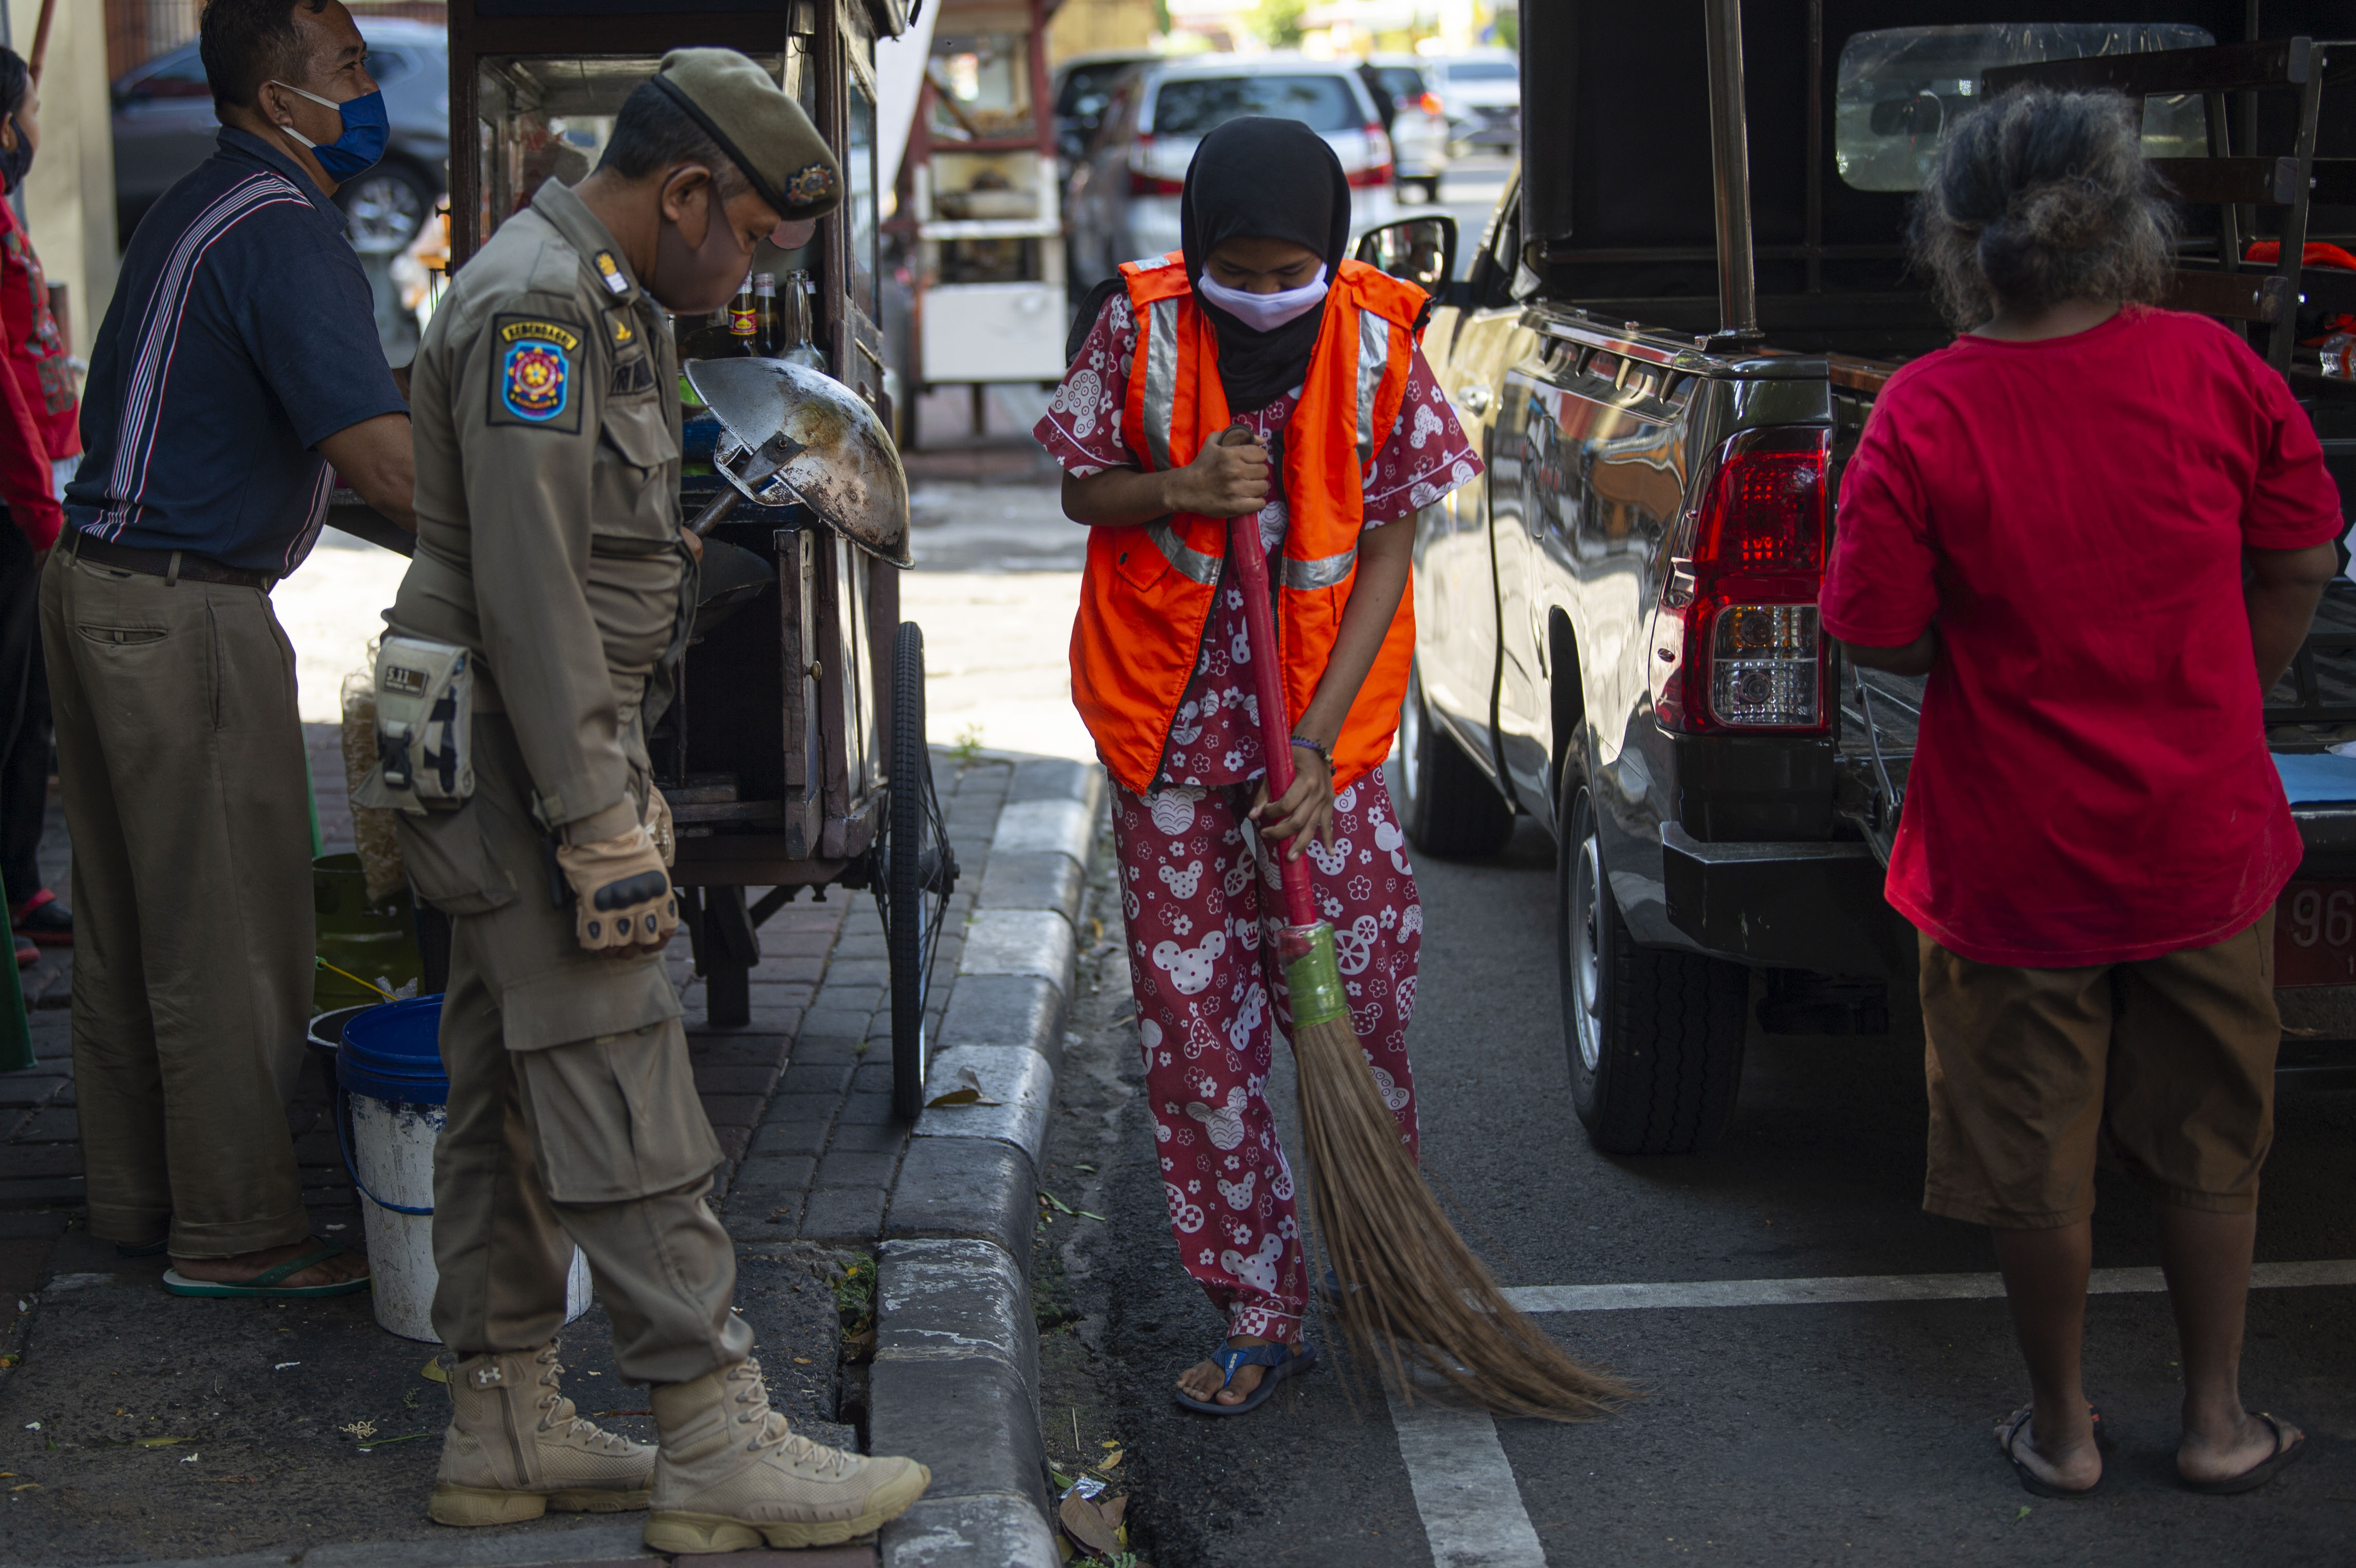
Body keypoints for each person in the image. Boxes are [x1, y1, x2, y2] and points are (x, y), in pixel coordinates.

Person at [375, 48, 929, 1550]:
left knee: (503, 1091)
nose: (745, 265)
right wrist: (599, 819)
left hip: (526, 742)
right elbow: (532, 589)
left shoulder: (592, 291)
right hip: (527, 749)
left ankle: (501, 1422)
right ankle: (711, 1432)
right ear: (685, 191)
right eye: (745, 235)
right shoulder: (538, 307)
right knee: (625, 1080)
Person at [1821, 88, 2342, 1499]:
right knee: (2210, 1135)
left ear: (1955, 237)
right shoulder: (2212, 367)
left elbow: (1871, 626)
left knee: (2030, 1156)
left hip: (2007, 861)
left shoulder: (1925, 408)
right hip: (2200, 838)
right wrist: (2238, 679)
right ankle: (2220, 1418)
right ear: (2124, 224)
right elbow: (2299, 553)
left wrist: (1984, 639)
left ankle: (2061, 1427)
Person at [1036, 117, 1480, 1413]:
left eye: (1296, 270)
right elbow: (1079, 489)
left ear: (1333, 256)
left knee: (1362, 1015)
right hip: (1169, 738)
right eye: (1244, 266)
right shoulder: (1138, 326)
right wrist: (1182, 483)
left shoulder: (1382, 340)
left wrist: (1319, 743)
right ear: (1198, 246)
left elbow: (1388, 549)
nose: (1270, 291)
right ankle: (1258, 1303)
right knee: (1194, 1033)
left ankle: (1386, 1278)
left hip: (1314, 750)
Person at [44, 0, 413, 1292]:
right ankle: (240, 1231)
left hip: (100, 585)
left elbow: (323, 449)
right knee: (230, 935)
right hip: (180, 611)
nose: (368, 90)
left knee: (138, 924)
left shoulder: (209, 200)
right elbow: (376, 457)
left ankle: (141, 1200)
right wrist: (521, 543)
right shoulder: (285, 227)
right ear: (277, 98)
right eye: (348, 69)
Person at [0, 47, 78, 963]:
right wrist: (36, 505)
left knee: (30, 708)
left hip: (35, 490)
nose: (37, 129)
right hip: (11, 504)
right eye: (30, 110)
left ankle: (20, 881)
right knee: (5, 701)